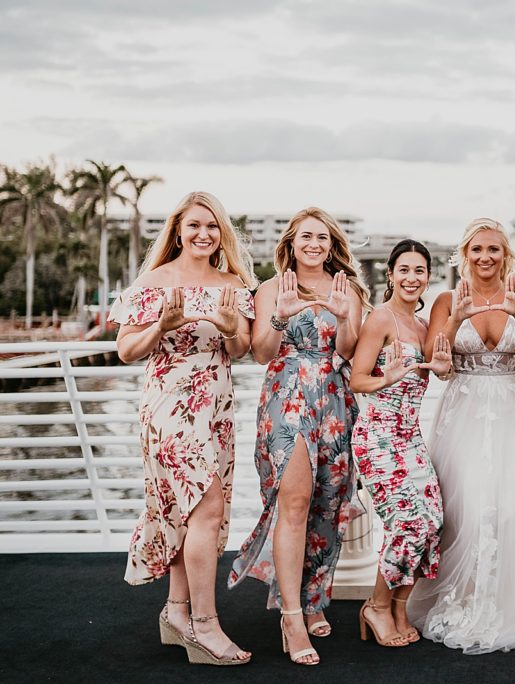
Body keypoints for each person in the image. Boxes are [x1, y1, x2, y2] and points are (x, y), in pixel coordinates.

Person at [406, 218, 515, 654]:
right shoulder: (446, 298)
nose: (485, 257)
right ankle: (464, 600)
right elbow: (433, 362)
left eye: (494, 249)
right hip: (463, 411)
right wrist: (457, 317)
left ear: (506, 254)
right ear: (465, 254)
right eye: (477, 249)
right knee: (469, 507)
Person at [109, 191, 257, 665]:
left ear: (221, 234)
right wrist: (161, 326)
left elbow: (241, 349)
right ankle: (205, 627)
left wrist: (232, 326)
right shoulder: (155, 281)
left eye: (212, 226)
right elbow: (127, 351)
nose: (203, 234)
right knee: (207, 505)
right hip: (169, 406)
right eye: (194, 225)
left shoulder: (232, 283)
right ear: (178, 230)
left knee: (187, 510)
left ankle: (175, 612)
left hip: (215, 407)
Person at [228, 207, 370, 665]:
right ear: (291, 242)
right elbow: (259, 353)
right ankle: (291, 616)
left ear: (332, 244)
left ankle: (312, 598)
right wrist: (279, 319)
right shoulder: (271, 289)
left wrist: (347, 316)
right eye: (306, 236)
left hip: (334, 396)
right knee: (294, 502)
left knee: (328, 503)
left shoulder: (347, 288)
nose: (315, 244)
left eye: (323, 237)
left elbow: (349, 351)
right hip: (287, 396)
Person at [349, 239, 450, 648]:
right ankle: (375, 605)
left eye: (419, 271)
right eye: (403, 270)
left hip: (410, 434)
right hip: (377, 434)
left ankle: (399, 606)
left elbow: (434, 371)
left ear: (428, 277)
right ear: (390, 275)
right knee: (406, 521)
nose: (412, 278)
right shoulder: (380, 319)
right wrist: (386, 378)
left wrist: (443, 369)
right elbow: (357, 379)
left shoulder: (425, 328)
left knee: (432, 520)